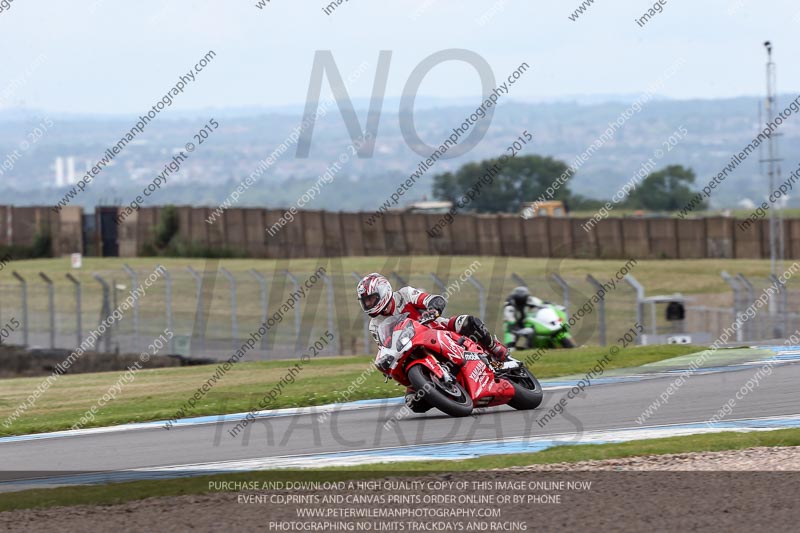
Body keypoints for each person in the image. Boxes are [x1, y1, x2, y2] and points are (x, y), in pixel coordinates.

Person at [357, 273, 508, 412]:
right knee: (413, 403)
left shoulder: (405, 294)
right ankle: (445, 393)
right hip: (411, 351)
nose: (369, 304)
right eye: (365, 301)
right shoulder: (374, 325)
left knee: (468, 322)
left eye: (371, 298)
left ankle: (494, 348)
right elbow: (385, 346)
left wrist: (433, 309)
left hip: (438, 329)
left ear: (384, 292)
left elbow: (433, 299)